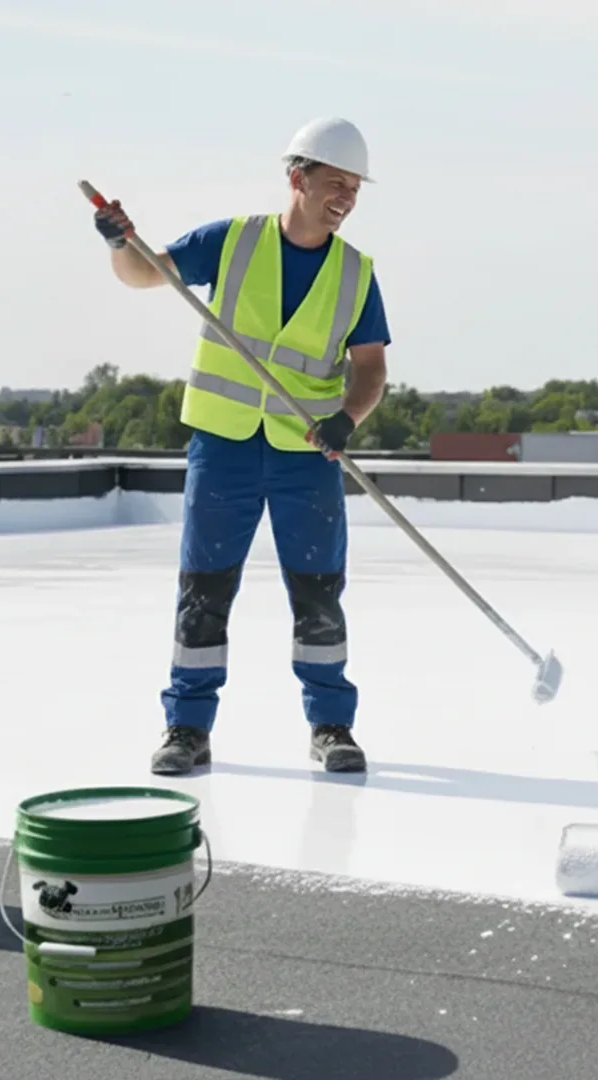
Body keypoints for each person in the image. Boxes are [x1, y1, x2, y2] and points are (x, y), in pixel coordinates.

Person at [90, 117, 393, 778]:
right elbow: (146, 275)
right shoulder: (232, 242)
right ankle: (187, 728)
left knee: (319, 593)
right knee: (204, 590)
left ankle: (331, 725)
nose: (345, 196)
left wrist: (348, 418)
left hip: (306, 457)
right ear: (297, 177)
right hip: (223, 449)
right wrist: (121, 243)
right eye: (334, 182)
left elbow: (369, 369)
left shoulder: (356, 273)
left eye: (354, 188)